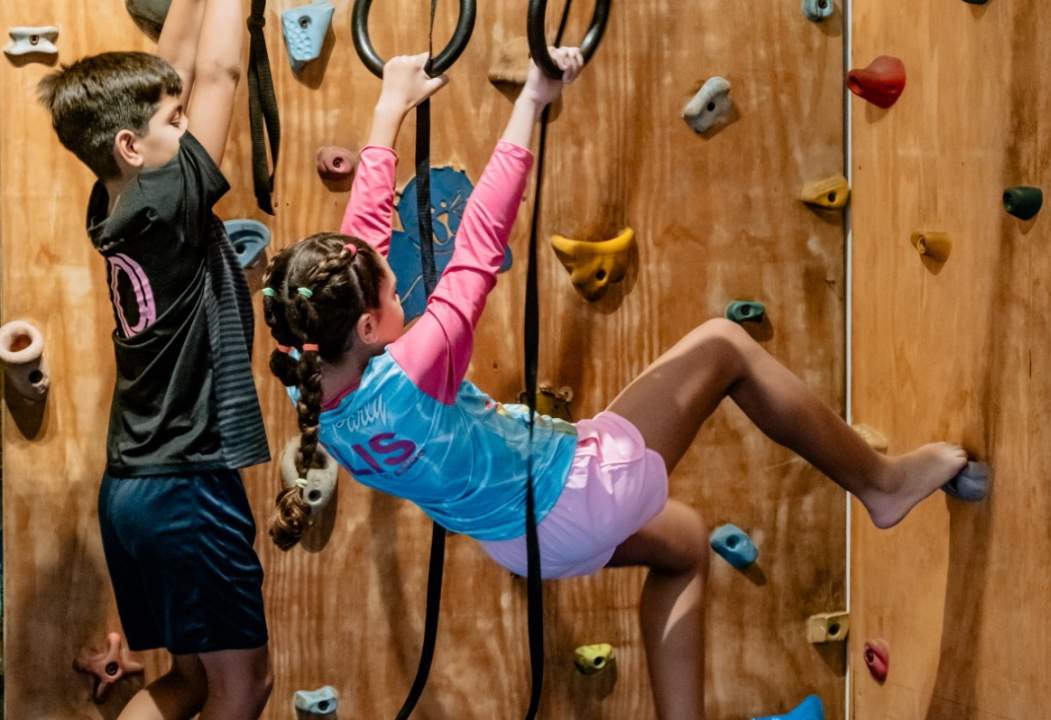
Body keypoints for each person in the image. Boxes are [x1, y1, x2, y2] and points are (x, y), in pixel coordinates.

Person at [262, 46, 966, 719]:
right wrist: (530, 103)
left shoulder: (311, 380)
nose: (398, 288)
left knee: (685, 546)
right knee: (724, 344)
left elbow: (360, 239)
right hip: (572, 494)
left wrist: (390, 107)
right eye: (390, 291)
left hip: (518, 538)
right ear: (365, 329)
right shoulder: (415, 372)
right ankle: (880, 484)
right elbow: (478, 243)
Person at [38, 0, 273, 715]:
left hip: (136, 489)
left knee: (188, 683)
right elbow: (224, 68)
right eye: (176, 121)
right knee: (244, 688)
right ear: (131, 147)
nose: (188, 124)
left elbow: (170, 74)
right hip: (185, 487)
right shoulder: (168, 202)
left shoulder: (113, 206)